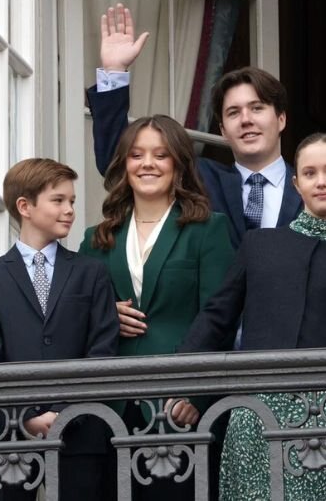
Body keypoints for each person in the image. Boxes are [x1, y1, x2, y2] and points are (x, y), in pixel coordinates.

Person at [179, 133, 326, 501]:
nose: (321, 181)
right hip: (254, 413)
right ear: (296, 183)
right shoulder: (259, 245)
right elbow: (217, 318)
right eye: (310, 173)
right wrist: (186, 386)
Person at [79, 114, 234, 500]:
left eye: (160, 155)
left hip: (178, 407)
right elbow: (74, 317)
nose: (147, 163)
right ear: (124, 165)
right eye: (136, 155)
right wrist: (105, 316)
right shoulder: (97, 239)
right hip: (110, 407)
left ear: (178, 164)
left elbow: (220, 319)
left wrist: (196, 396)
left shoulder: (207, 229)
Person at [88, 3, 302, 250]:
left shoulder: (312, 184)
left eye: (257, 108)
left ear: (281, 119)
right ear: (222, 129)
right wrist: (114, 72)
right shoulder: (200, 178)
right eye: (233, 112)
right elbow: (118, 164)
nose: (246, 119)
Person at [0, 158, 119, 501]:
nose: (69, 210)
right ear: (25, 206)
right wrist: (26, 418)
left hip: (82, 436)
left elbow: (102, 353)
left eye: (72, 202)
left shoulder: (91, 273)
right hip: (7, 437)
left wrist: (61, 413)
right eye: (58, 200)